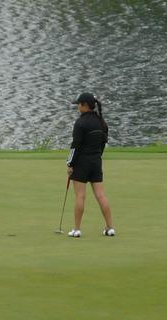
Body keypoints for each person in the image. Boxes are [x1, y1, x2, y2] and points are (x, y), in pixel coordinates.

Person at [65, 92, 115, 237]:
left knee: (80, 196)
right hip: (96, 162)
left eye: (79, 104)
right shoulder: (101, 122)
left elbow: (75, 146)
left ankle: (76, 229)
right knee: (101, 195)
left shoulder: (80, 123)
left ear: (85, 105)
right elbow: (103, 143)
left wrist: (70, 163)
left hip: (81, 163)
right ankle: (110, 228)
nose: (78, 107)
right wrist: (97, 156)